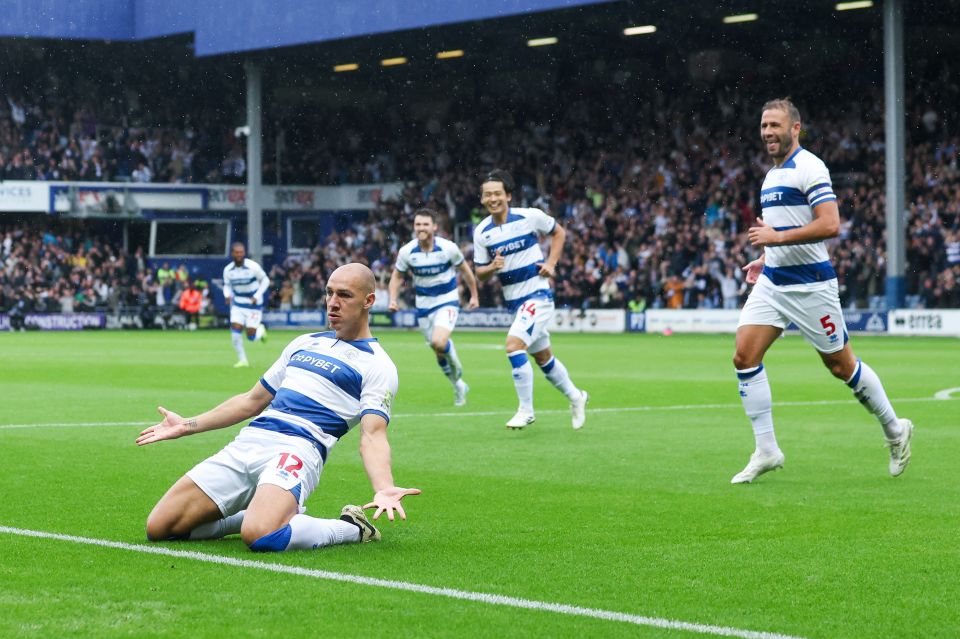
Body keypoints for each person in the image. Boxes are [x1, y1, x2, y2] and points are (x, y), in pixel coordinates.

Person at [136, 263, 420, 551]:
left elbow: (373, 435)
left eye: (344, 295)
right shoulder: (304, 343)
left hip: (297, 449)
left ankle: (352, 528)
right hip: (249, 442)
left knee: (260, 536)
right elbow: (252, 401)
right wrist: (186, 425)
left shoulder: (378, 365)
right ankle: (251, 515)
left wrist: (383, 487)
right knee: (160, 528)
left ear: (369, 301)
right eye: (329, 293)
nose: (333, 303)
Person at [731, 98, 913, 484]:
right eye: (764, 126)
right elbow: (784, 230)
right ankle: (767, 450)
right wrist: (767, 257)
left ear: (795, 128)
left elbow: (830, 224)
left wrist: (776, 238)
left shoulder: (810, 167)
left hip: (811, 286)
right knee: (744, 356)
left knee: (841, 366)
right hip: (774, 282)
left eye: (775, 126)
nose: (768, 133)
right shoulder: (770, 176)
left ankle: (896, 430)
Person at [472, 169, 588, 430]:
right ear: (482, 199)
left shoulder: (529, 217)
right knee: (544, 358)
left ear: (508, 196)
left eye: (497, 194)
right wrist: (492, 266)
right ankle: (576, 396)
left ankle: (526, 410)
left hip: (538, 295)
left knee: (514, 346)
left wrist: (551, 262)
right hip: (514, 302)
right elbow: (480, 274)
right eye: (488, 195)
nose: (493, 199)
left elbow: (559, 232)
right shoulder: (481, 233)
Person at [388, 208, 480, 406]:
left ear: (434, 227)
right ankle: (458, 386)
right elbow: (397, 276)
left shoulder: (448, 248)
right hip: (424, 306)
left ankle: (454, 360)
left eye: (425, 224)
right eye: (418, 224)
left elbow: (466, 271)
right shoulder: (407, 252)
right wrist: (392, 298)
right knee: (438, 351)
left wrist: (474, 295)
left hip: (447, 300)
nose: (421, 228)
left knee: (439, 342)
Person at [222, 242, 270, 368]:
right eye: (237, 252)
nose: (239, 255)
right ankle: (243, 360)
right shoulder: (228, 270)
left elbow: (265, 280)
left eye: (241, 252)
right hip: (238, 304)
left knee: (251, 337)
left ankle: (260, 331)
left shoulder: (252, 266)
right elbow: (227, 285)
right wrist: (227, 295)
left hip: (253, 305)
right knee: (235, 333)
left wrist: (257, 296)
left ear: (244, 253)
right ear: (232, 253)